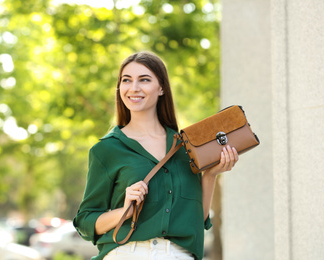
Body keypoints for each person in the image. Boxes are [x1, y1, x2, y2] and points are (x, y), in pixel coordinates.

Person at [73, 51, 239, 260]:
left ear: (161, 88)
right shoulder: (107, 150)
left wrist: (211, 175)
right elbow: (85, 222)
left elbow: (198, 219)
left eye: (144, 80)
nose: (134, 88)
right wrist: (124, 210)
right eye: (127, 80)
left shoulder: (184, 147)